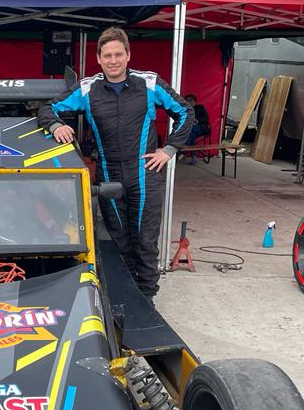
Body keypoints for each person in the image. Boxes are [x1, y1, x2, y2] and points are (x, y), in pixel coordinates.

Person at [37, 27, 193, 299]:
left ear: (128, 55)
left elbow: (185, 112)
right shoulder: (87, 88)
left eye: (118, 54)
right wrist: (56, 126)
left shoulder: (149, 83)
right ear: (98, 58)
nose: (113, 60)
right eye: (107, 55)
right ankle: (125, 297)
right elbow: (47, 108)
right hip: (109, 176)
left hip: (145, 173)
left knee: (145, 242)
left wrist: (168, 150)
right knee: (119, 242)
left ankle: (146, 300)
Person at [184, 94, 211, 164]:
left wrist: (197, 120)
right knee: (191, 134)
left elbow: (206, 118)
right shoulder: (185, 109)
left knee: (190, 130)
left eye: (190, 100)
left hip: (201, 127)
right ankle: (193, 156)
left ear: (195, 101)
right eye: (187, 100)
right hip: (190, 129)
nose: (189, 102)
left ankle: (183, 150)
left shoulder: (200, 107)